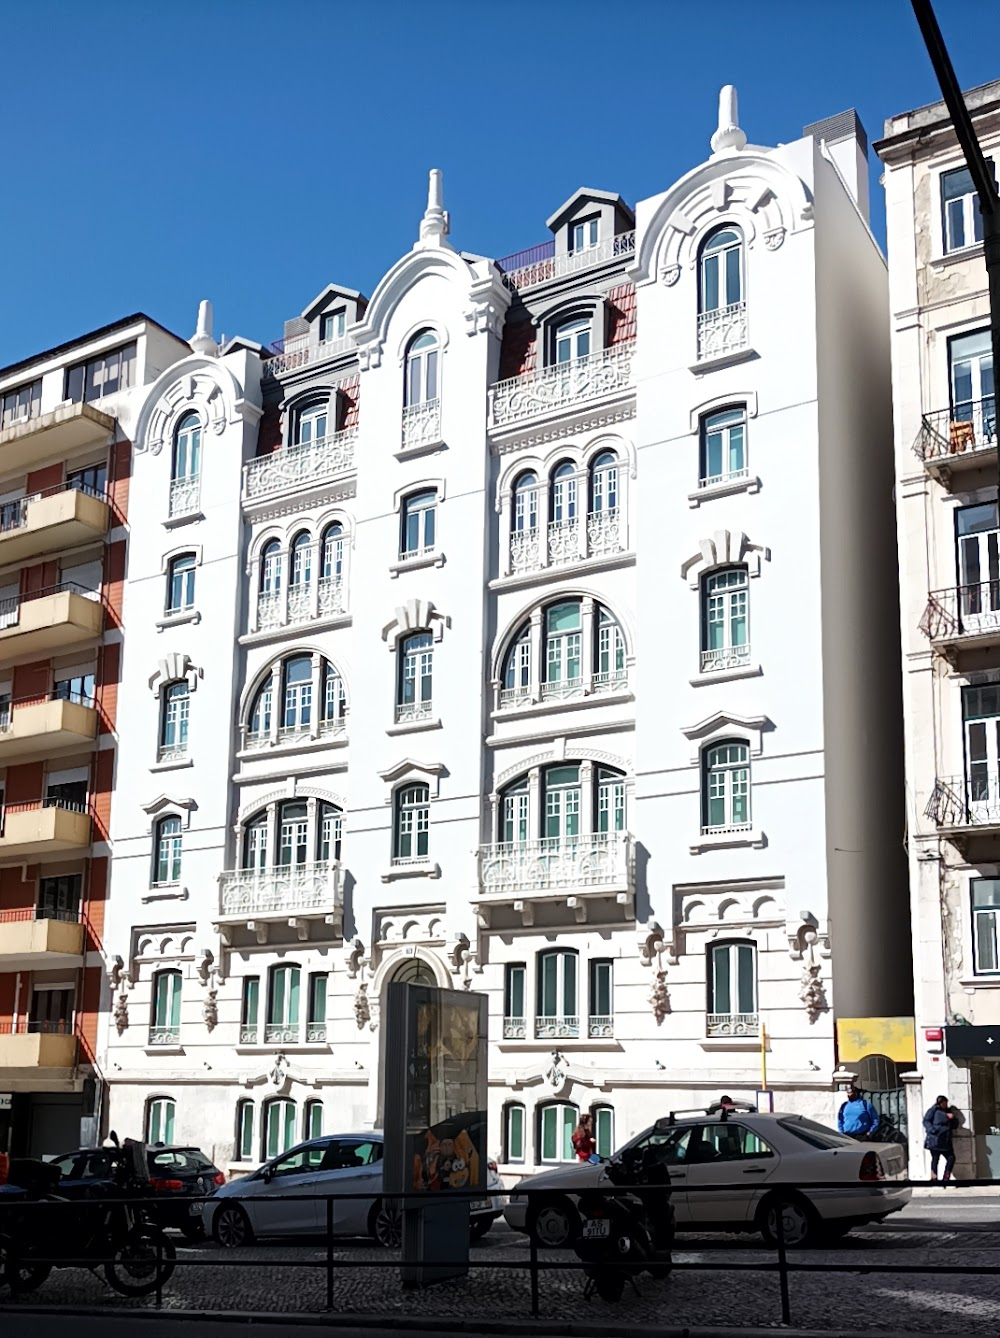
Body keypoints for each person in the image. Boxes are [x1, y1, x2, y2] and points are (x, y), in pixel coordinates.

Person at [923, 1094, 958, 1183]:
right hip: (935, 1140)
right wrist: (932, 1130)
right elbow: (926, 1121)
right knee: (935, 1158)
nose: (946, 1104)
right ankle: (933, 1177)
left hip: (945, 1140)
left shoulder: (949, 1112)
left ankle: (946, 1176)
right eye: (944, 1103)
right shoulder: (933, 1110)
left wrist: (952, 1118)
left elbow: (954, 1125)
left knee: (951, 1158)